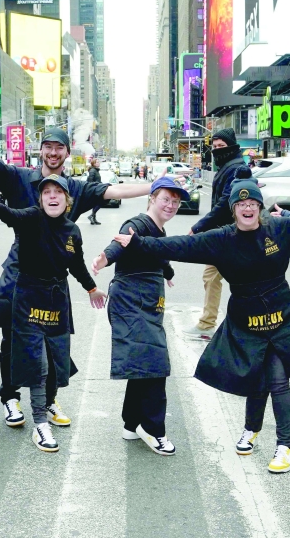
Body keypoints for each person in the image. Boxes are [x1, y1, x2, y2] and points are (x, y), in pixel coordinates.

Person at [110, 170, 290, 472]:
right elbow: (178, 246)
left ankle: (285, 445)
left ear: (260, 207)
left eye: (253, 204)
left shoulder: (280, 229)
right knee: (255, 377)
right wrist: (138, 243)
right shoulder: (222, 240)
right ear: (233, 210)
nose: (247, 209)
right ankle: (251, 429)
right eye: (240, 205)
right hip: (246, 321)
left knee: (277, 379)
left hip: (283, 317)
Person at [0, 117, 151, 429]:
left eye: (59, 147)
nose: (53, 152)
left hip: (53, 282)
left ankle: (48, 399)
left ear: (67, 152)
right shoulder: (21, 179)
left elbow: (114, 190)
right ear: (40, 150)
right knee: (12, 338)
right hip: (18, 274)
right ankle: (9, 395)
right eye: (48, 146)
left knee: (53, 342)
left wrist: (155, 186)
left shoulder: (75, 188)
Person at [0, 177, 105, 452]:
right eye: (47, 192)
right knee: (38, 365)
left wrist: (92, 288)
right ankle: (40, 424)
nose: (52, 197)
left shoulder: (72, 231)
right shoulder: (32, 218)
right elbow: (12, 216)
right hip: (28, 298)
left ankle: (48, 403)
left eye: (58, 192)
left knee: (57, 362)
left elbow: (76, 264)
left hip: (56, 301)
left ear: (67, 200)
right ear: (41, 199)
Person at [91, 177, 186, 456]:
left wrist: (167, 274)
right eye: (166, 199)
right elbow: (120, 243)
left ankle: (132, 424)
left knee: (142, 360)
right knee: (155, 362)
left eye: (176, 202)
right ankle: (153, 429)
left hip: (148, 303)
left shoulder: (159, 230)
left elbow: (160, 256)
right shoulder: (138, 223)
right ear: (152, 199)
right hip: (131, 301)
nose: (171, 205)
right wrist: (104, 259)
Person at [189, 128, 248, 341]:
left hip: (230, 233)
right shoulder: (228, 166)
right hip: (224, 232)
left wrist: (200, 226)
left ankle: (211, 324)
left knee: (229, 280)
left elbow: (224, 203)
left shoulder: (235, 168)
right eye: (214, 147)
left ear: (231, 146)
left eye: (221, 146)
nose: (216, 150)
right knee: (213, 278)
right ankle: (208, 323)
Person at [86, 159, 102, 225]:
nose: (99, 163)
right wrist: (95, 186)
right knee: (99, 202)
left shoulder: (96, 170)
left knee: (95, 204)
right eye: (97, 162)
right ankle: (92, 216)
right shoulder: (93, 170)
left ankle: (93, 219)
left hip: (97, 188)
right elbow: (90, 180)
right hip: (94, 189)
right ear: (94, 164)